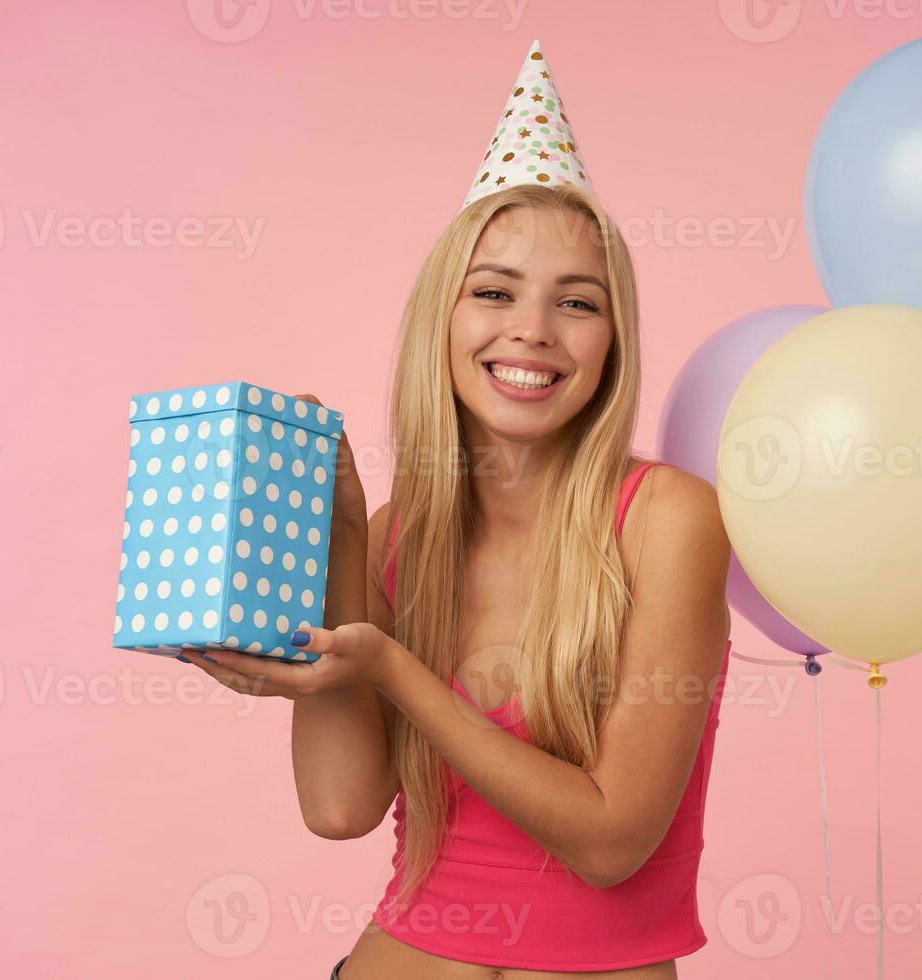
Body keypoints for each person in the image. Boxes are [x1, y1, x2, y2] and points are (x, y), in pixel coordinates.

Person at [185, 41, 733, 979]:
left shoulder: (667, 520)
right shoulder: (401, 535)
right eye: (493, 292)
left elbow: (612, 843)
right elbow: (339, 807)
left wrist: (394, 669)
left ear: (612, 340)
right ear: (445, 317)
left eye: (577, 302)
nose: (531, 330)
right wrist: (341, 547)